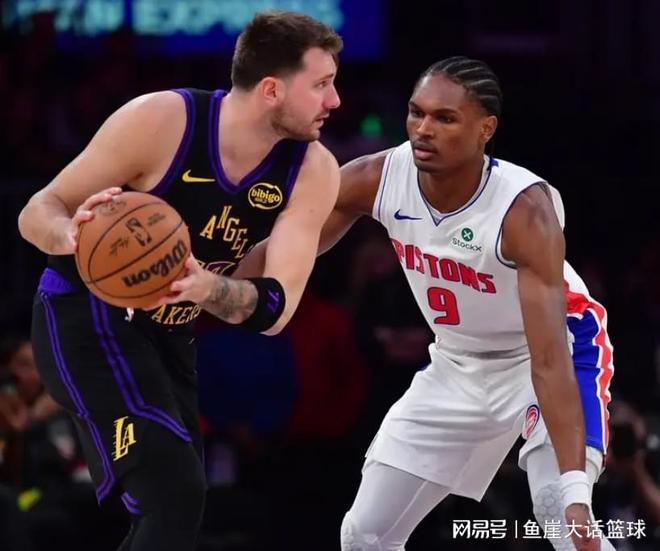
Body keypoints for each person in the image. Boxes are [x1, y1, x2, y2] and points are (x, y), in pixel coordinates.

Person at [236, 56, 615, 550]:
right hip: (457, 363)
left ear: (486, 129)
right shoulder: (378, 176)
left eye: (445, 118)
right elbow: (288, 247)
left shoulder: (524, 211)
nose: (423, 130)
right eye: (416, 113)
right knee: (365, 535)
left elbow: (548, 361)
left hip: (554, 352)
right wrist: (202, 280)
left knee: (562, 518)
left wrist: (576, 489)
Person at [17, 10, 342, 551]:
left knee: (180, 509)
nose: (335, 101)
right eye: (322, 85)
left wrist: (205, 287)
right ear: (271, 90)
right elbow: (36, 211)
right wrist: (71, 234)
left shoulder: (312, 169)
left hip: (170, 334)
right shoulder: (161, 120)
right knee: (173, 492)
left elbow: (276, 310)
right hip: (85, 316)